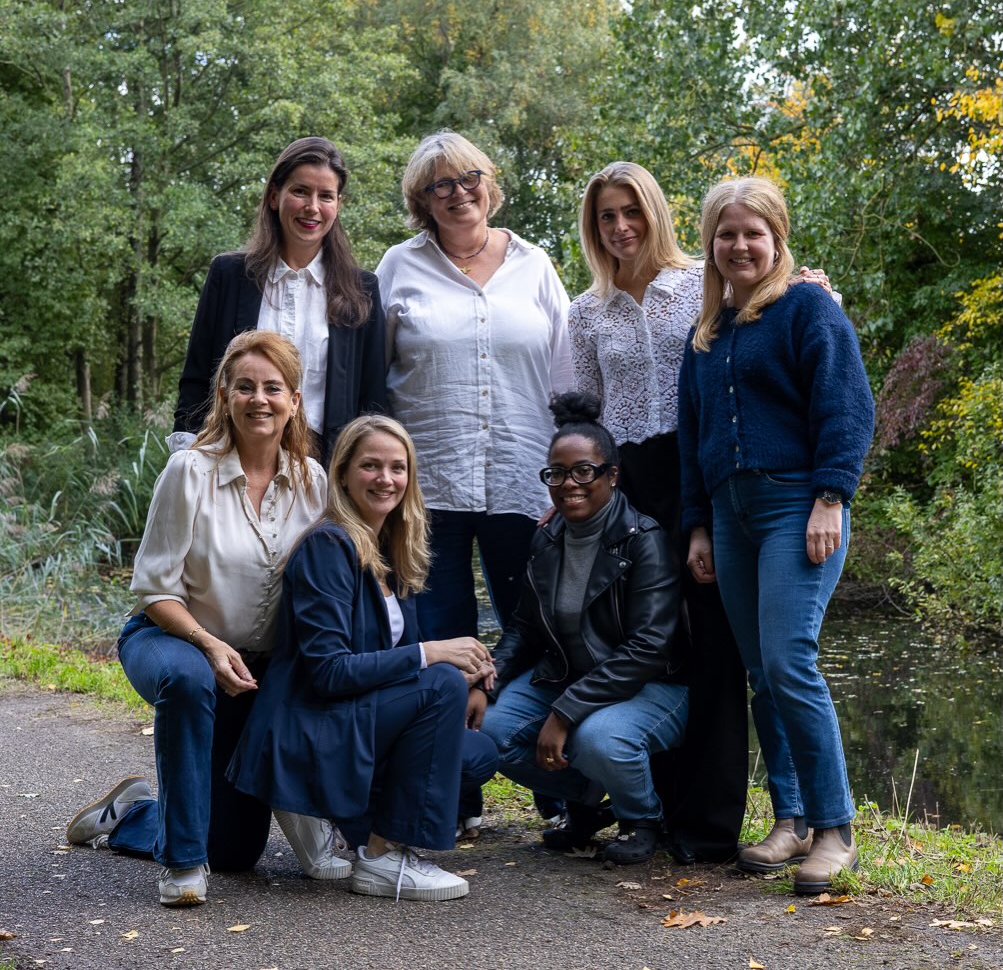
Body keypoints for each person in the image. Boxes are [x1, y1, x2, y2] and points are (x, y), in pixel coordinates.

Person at [569, 161, 839, 863]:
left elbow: (831, 388)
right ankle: (651, 808)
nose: (620, 225)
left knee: (751, 660)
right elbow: (592, 413)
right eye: (605, 216)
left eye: (632, 211)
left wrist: (829, 494)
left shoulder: (710, 290)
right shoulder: (604, 313)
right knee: (662, 648)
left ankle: (731, 824)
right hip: (665, 490)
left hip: (756, 490)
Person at [66, 331, 332, 906]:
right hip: (169, 638)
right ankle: (182, 868)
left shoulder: (314, 483)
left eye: (272, 388)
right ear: (225, 396)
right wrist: (209, 645)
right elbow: (153, 589)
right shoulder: (190, 471)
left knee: (235, 850)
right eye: (245, 387)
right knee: (187, 680)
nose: (259, 400)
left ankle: (135, 811)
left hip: (252, 672)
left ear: (294, 400)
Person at [678, 176, 874, 894]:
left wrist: (830, 497)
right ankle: (788, 820)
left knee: (790, 662)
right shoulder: (706, 336)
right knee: (760, 672)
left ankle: (834, 829)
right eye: (725, 234)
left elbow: (846, 408)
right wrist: (696, 524)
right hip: (730, 517)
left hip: (798, 504)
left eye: (751, 233)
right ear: (710, 244)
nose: (738, 245)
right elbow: (693, 440)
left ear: (776, 239)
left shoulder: (807, 307)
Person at [227, 415, 499, 901]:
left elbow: (402, 658)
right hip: (310, 722)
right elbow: (330, 671)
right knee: (439, 684)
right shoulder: (327, 547)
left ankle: (348, 822)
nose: (386, 478)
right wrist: (435, 655)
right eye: (371, 465)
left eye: (398, 468)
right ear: (344, 475)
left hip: (350, 717)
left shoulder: (392, 550)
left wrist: (472, 674)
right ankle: (383, 855)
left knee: (475, 752)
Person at [377, 130, 573, 648]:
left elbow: (568, 376)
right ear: (421, 200)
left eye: (470, 178)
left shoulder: (535, 265)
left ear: (489, 184)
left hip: (523, 479)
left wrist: (571, 474)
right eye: (440, 186)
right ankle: (448, 727)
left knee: (532, 633)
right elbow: (371, 378)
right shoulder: (398, 266)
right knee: (436, 636)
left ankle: (515, 729)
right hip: (426, 484)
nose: (459, 192)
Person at [477, 393, 689, 865]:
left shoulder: (644, 541)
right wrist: (486, 680)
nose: (568, 484)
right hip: (571, 678)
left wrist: (565, 712)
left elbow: (648, 648)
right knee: (490, 731)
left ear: (611, 475)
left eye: (583, 471)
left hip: (652, 686)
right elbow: (523, 626)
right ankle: (593, 803)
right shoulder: (547, 537)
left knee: (599, 739)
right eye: (557, 473)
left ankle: (644, 818)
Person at [171, 137, 386, 465]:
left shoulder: (361, 290)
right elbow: (197, 379)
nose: (312, 207)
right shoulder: (229, 276)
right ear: (275, 196)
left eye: (325, 196)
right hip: (231, 462)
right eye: (300, 191)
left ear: (338, 204)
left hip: (325, 473)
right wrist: (185, 461)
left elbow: (372, 402)